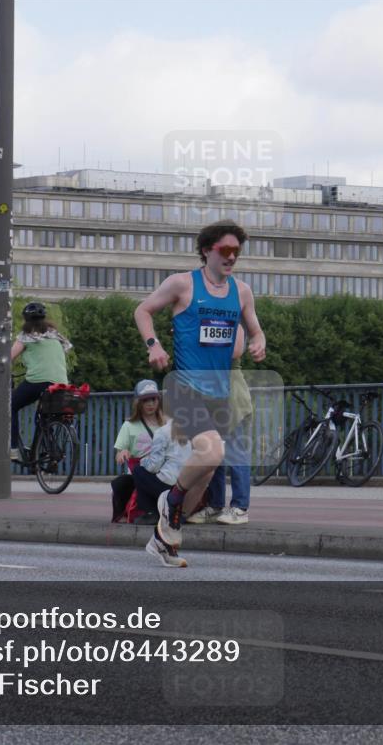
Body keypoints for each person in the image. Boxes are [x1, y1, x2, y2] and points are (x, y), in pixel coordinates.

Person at [134, 219, 266, 567]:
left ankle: (163, 538)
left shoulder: (242, 291)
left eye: (237, 251)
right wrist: (154, 345)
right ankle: (169, 500)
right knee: (212, 452)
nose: (232, 257)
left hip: (218, 391)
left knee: (206, 472)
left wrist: (258, 341)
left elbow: (255, 328)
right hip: (184, 386)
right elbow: (143, 310)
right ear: (207, 250)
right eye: (225, 250)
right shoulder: (182, 284)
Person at [189, 328, 253, 525]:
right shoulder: (205, 326)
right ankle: (216, 506)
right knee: (214, 454)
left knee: (235, 453)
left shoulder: (236, 327)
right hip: (211, 398)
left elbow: (234, 352)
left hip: (231, 398)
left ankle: (240, 508)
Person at [8, 302, 72, 463]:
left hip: (39, 381)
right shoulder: (55, 335)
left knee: (11, 406)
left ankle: (13, 449)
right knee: (44, 417)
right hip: (61, 383)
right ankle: (45, 449)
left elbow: (7, 358)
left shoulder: (26, 336)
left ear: (26, 320)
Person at [133, 418, 193, 560]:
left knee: (139, 471)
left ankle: (151, 512)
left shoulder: (162, 432)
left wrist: (141, 461)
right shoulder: (191, 430)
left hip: (168, 486)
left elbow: (153, 465)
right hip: (186, 487)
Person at [111, 379, 165, 524]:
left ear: (158, 401)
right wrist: (122, 453)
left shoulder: (165, 424)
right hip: (138, 473)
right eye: (145, 400)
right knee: (121, 483)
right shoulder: (129, 425)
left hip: (161, 472)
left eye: (153, 399)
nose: (150, 404)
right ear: (138, 402)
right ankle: (126, 513)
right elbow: (119, 453)